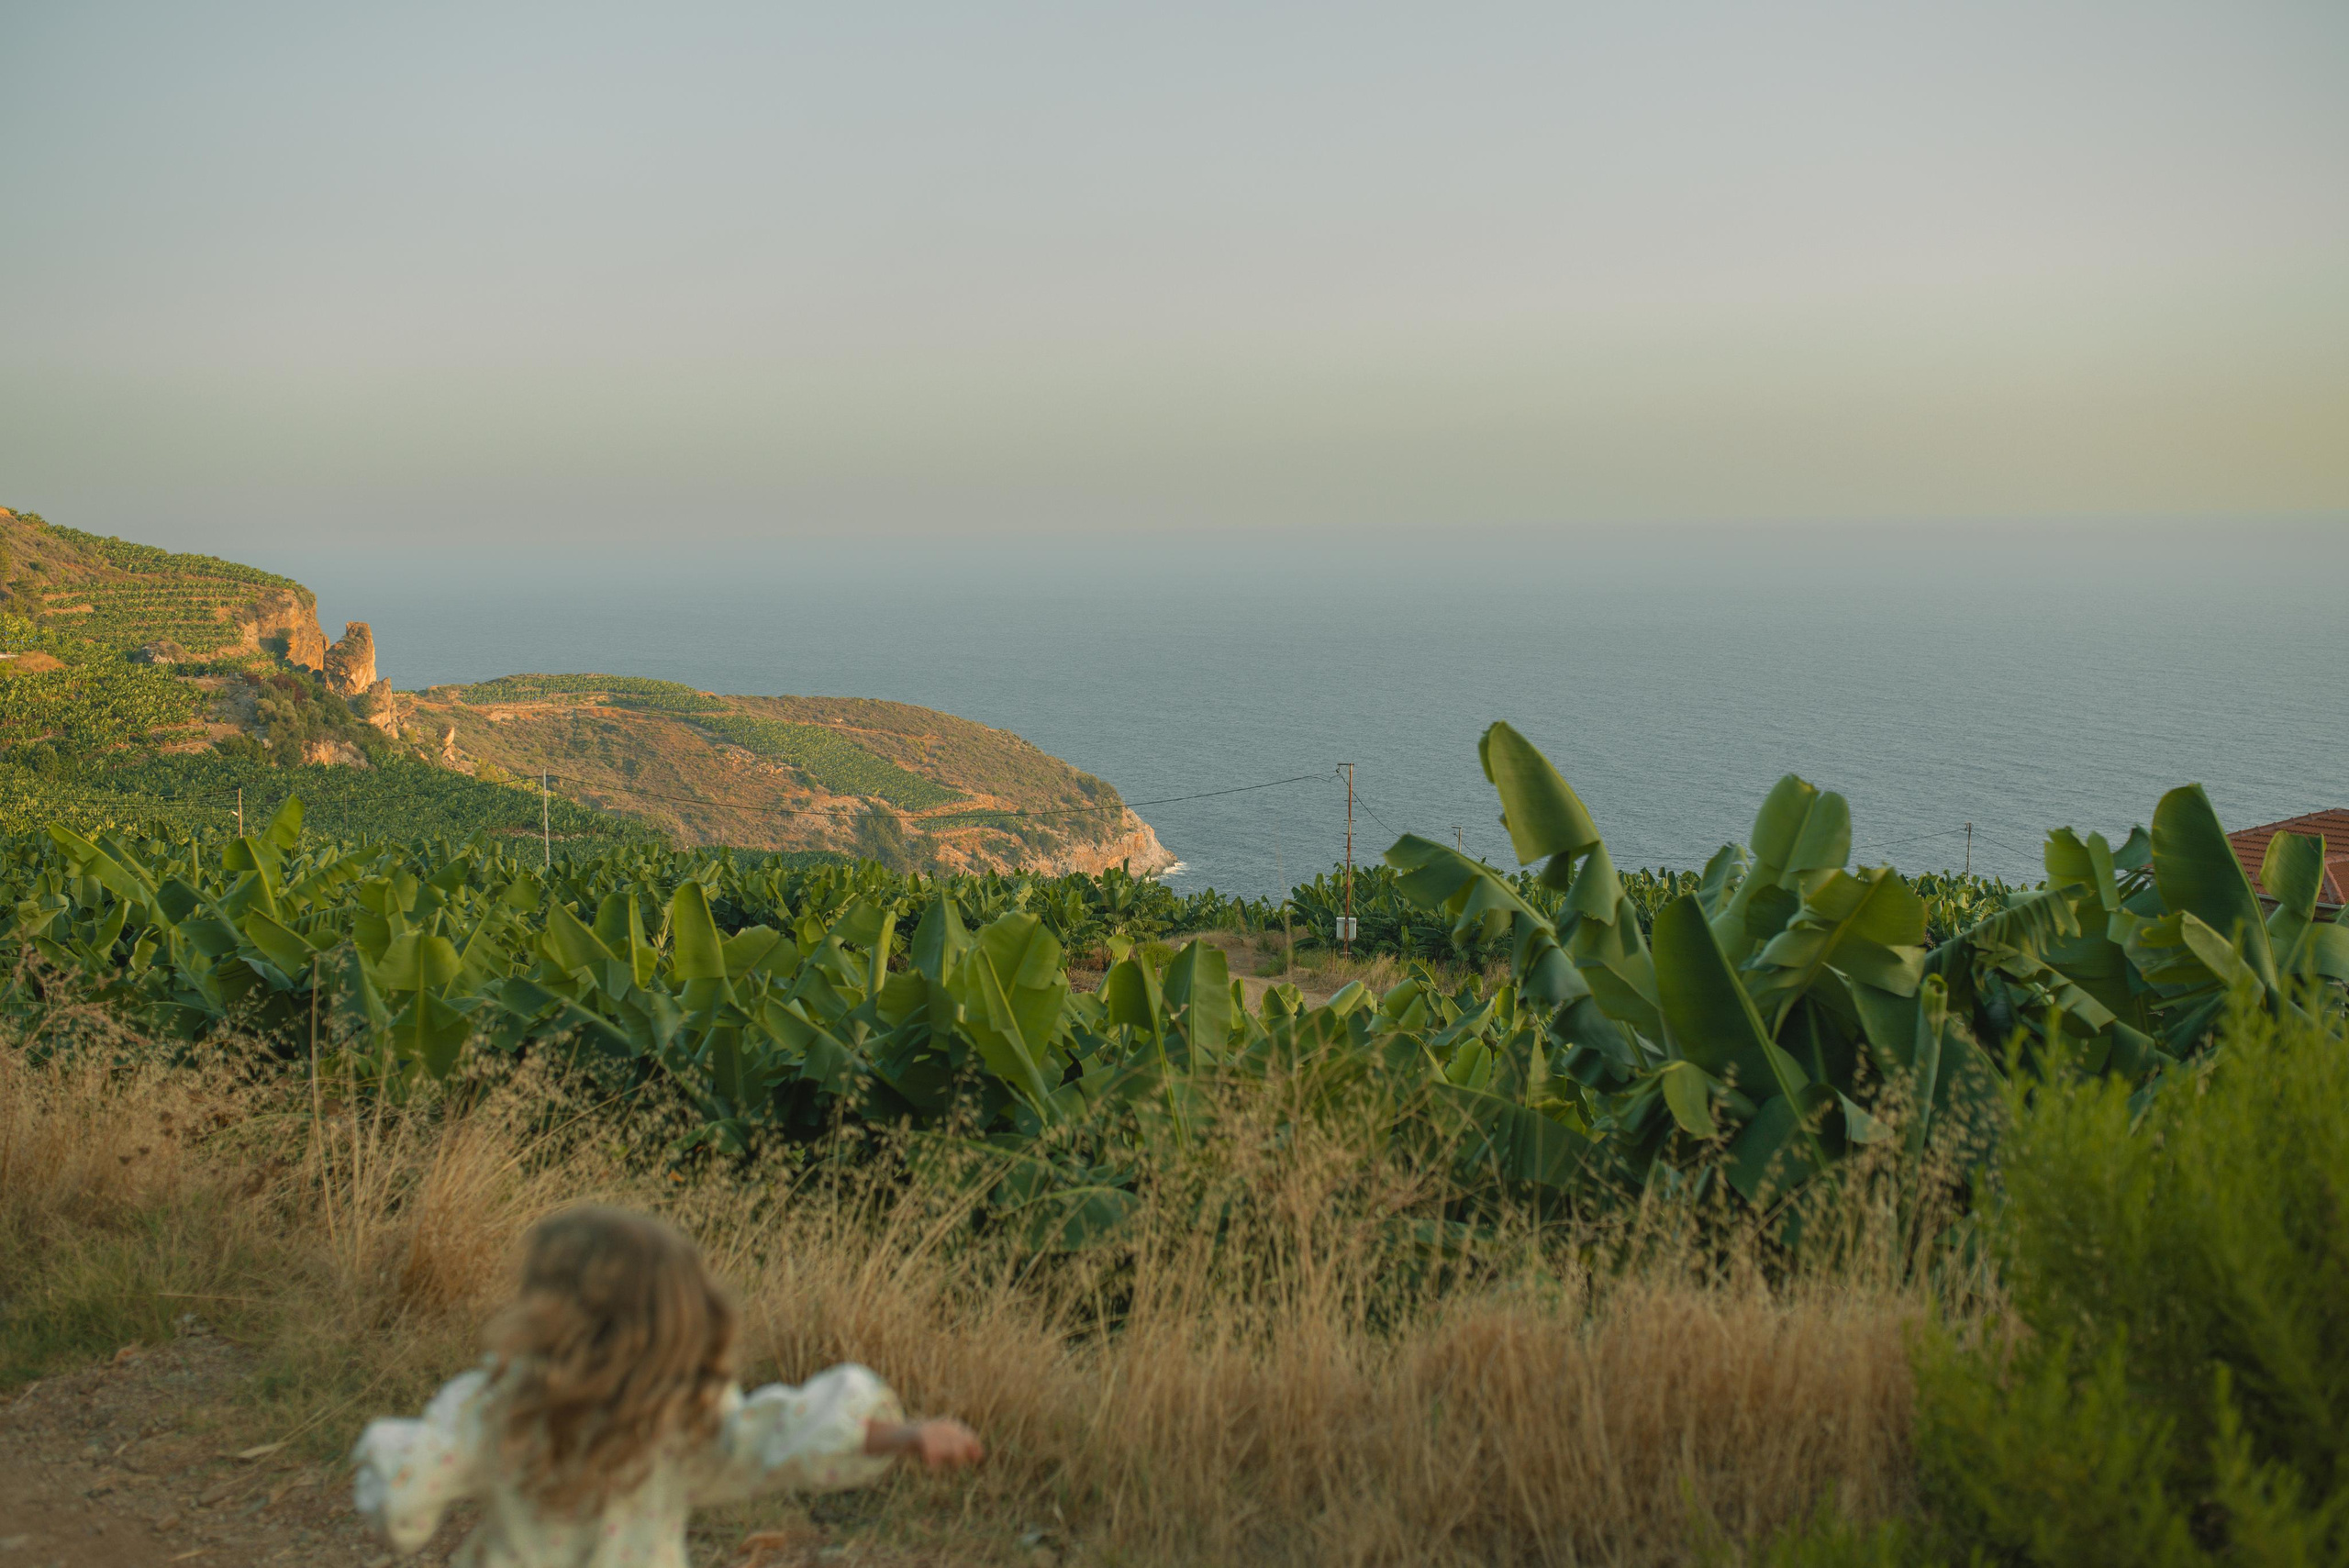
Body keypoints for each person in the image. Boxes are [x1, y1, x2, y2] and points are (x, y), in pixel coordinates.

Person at [351, 1206, 982, 1566]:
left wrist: (393, 1485)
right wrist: (903, 1432)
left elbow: (410, 1489)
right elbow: (778, 1432)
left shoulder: (501, 1402)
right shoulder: (684, 1414)